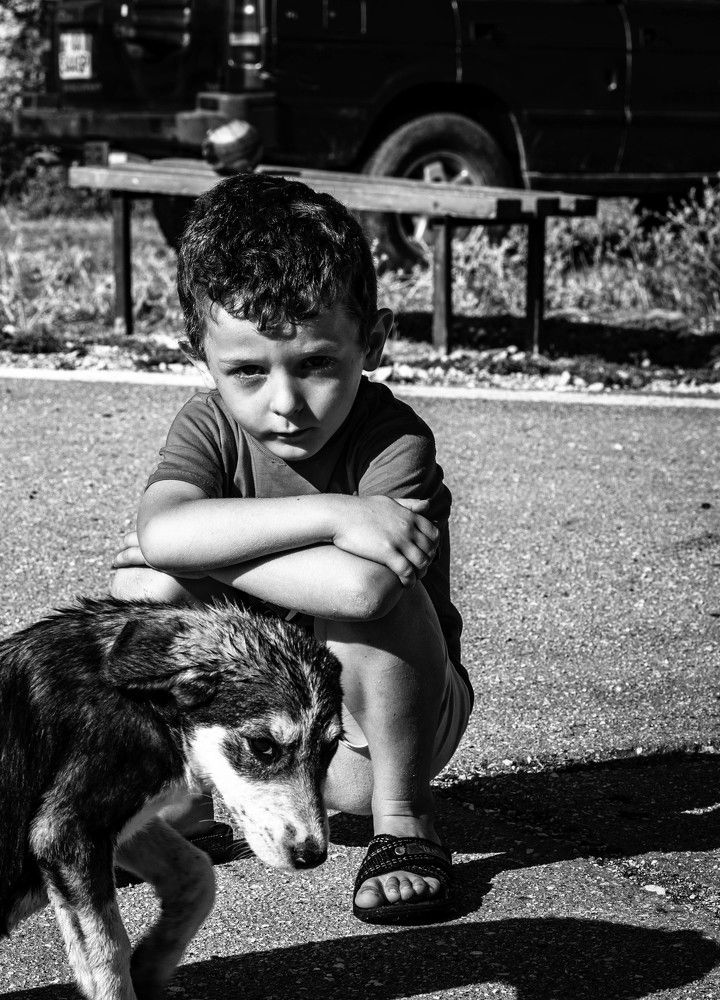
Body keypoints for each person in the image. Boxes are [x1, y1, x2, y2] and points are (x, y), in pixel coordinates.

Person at [110, 172, 472, 924]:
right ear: (199, 352)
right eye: (247, 371)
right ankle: (184, 801)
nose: (284, 403)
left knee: (372, 605)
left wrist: (200, 551)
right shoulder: (209, 426)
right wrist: (339, 516)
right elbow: (162, 536)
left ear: (373, 341)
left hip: (375, 742)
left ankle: (406, 821)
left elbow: (365, 591)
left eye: (316, 364)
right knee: (151, 595)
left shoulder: (391, 439)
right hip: (270, 724)